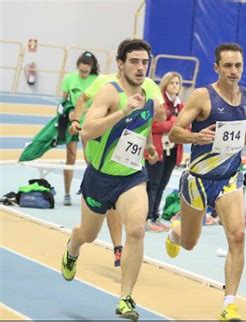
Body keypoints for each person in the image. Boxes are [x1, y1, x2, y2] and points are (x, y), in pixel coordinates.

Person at [60, 39, 165, 321]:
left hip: (131, 176)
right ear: (120, 64)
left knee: (136, 231)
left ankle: (125, 298)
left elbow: (150, 120)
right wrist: (122, 112)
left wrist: (147, 145)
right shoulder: (109, 91)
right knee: (89, 234)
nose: (140, 67)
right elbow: (87, 132)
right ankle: (74, 245)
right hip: (100, 177)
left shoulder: (152, 89)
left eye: (144, 62)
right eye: (134, 61)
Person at [166, 43, 246, 321]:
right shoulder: (202, 96)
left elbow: (242, 127)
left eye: (238, 66)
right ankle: (175, 232)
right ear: (216, 67)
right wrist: (196, 137)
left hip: (229, 178)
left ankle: (229, 303)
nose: (234, 71)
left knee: (238, 236)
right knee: (189, 242)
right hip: (198, 179)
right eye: (228, 66)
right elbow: (174, 133)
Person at [145, 71, 185, 232]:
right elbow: (152, 125)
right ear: (165, 84)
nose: (175, 86)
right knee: (152, 184)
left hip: (172, 151)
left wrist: (174, 124)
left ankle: (155, 216)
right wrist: (172, 124)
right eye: (172, 82)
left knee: (162, 185)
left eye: (177, 83)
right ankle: (147, 217)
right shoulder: (159, 103)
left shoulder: (180, 105)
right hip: (157, 149)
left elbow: (185, 125)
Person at [61, 51, 100, 206]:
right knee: (70, 158)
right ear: (77, 67)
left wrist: (84, 112)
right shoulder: (69, 78)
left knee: (90, 159)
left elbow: (99, 102)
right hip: (73, 124)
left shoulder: (96, 80)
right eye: (81, 71)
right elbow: (63, 101)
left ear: (91, 69)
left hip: (89, 123)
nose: (84, 74)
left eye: (87, 71)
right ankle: (66, 193)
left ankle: (89, 190)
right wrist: (68, 112)